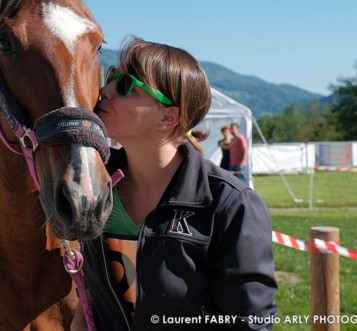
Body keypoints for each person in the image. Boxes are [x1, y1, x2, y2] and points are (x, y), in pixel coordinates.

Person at [73, 37, 277, 330]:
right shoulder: (93, 186)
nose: (104, 91)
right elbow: (89, 299)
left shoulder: (231, 204)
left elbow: (249, 322)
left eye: (125, 84)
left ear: (168, 117)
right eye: (111, 77)